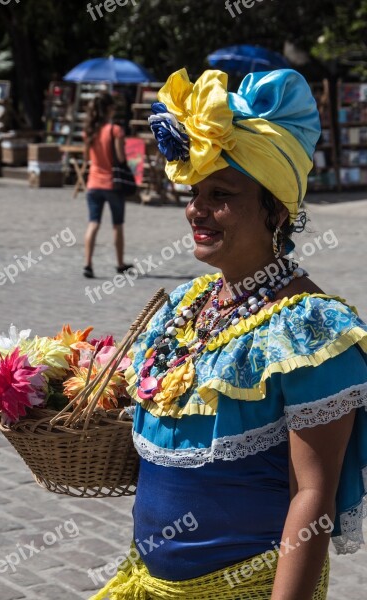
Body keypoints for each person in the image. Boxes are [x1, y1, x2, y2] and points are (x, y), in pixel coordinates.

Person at [90, 69, 367, 599]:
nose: (197, 209)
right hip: (146, 583)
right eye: (196, 192)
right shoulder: (183, 305)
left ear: (276, 211)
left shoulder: (311, 333)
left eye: (221, 194)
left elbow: (312, 495)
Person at [83, 92, 132, 278]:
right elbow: (120, 158)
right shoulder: (115, 130)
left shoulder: (89, 130)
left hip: (93, 182)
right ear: (109, 109)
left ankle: (88, 264)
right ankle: (120, 264)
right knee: (117, 224)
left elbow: (87, 157)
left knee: (93, 223)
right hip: (112, 183)